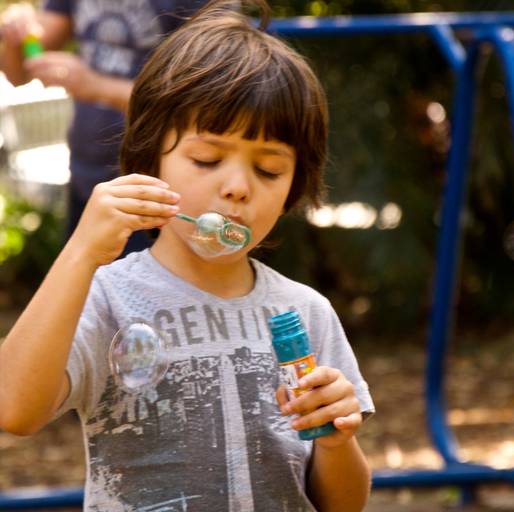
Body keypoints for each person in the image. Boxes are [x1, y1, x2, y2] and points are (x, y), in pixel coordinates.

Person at [0, 0, 375, 510]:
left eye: (268, 171)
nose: (238, 188)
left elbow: (343, 505)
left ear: (294, 188)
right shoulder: (107, 295)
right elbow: (14, 410)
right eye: (207, 159)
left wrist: (337, 441)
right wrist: (81, 252)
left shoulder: (305, 313)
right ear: (151, 156)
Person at [0, 0, 205, 254]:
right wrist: (16, 33)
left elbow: (201, 107)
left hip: (155, 194)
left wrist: (97, 86)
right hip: (85, 180)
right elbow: (19, 73)